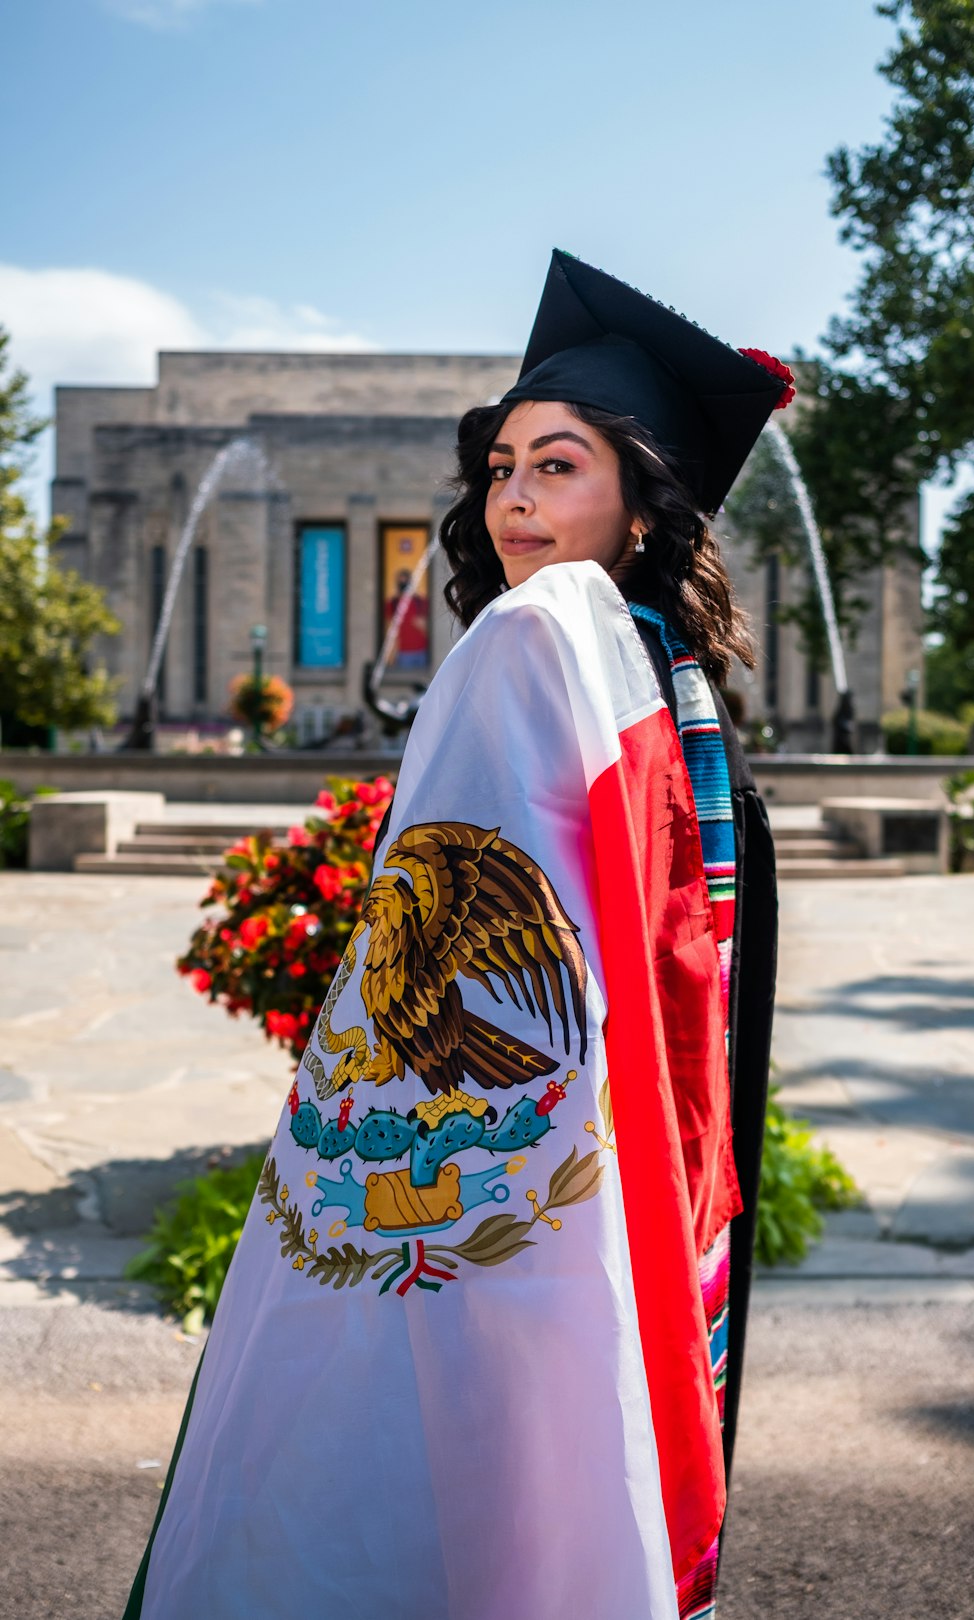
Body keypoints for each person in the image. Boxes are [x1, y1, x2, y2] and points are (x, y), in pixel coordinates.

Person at [124, 251, 789, 1620]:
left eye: (558, 466)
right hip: (654, 1172)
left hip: (551, 1183)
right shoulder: (658, 670)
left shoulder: (542, 646)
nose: (517, 500)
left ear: (643, 501)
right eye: (500, 470)